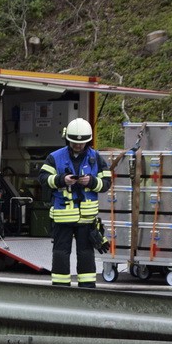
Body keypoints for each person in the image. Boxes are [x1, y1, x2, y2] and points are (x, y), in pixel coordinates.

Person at [38, 117, 112, 288]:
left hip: (86, 218)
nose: (79, 146)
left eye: (82, 143)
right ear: (67, 139)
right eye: (74, 143)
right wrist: (61, 179)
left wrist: (91, 182)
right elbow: (42, 178)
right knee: (60, 253)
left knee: (86, 253)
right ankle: (61, 287)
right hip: (63, 217)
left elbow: (106, 183)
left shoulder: (96, 158)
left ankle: (87, 288)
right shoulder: (54, 157)